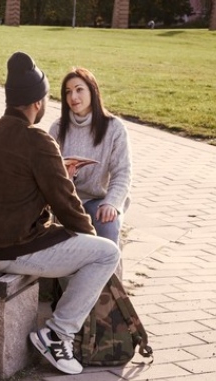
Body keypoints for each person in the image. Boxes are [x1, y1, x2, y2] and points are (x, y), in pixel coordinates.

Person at [0, 52, 120, 375]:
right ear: (37, 103)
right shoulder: (37, 140)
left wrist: (56, 170)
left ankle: (68, 324)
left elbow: (12, 188)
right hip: (8, 249)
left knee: (78, 248)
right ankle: (58, 334)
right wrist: (88, 235)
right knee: (105, 254)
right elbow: (67, 205)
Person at [49, 67, 132, 247]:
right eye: (68, 92)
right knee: (60, 238)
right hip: (68, 199)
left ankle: (110, 275)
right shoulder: (57, 128)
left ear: (92, 91)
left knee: (108, 228)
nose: (73, 97)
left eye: (79, 89)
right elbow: (48, 173)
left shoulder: (114, 128)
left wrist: (111, 203)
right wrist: (67, 178)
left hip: (100, 199)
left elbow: (122, 172)